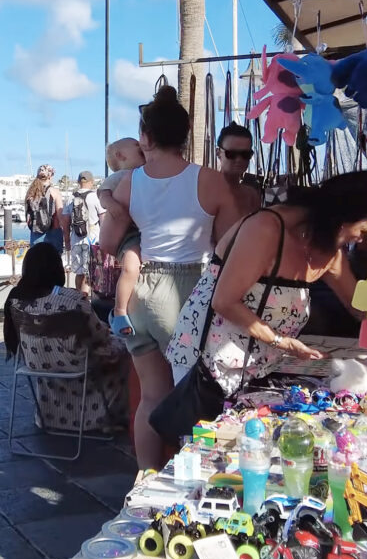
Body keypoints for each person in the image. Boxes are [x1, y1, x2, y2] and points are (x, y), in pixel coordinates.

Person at [160, 170, 367, 442]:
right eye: (363, 230)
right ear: (344, 215)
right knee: (206, 448)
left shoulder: (327, 250)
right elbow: (224, 300)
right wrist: (281, 341)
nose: (362, 239)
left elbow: (359, 305)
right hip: (208, 362)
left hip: (255, 366)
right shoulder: (267, 229)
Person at [101, 85, 240, 469]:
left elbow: (108, 242)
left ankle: (145, 477)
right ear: (185, 135)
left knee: (150, 397)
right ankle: (188, 481)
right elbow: (230, 246)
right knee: (191, 395)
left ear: (145, 137)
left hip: (142, 292)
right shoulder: (210, 180)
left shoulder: (130, 183)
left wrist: (133, 245)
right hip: (190, 291)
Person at [3, 243, 129, 431]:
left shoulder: (16, 300)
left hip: (38, 364)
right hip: (79, 364)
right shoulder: (73, 300)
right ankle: (105, 417)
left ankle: (55, 415)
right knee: (125, 349)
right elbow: (99, 336)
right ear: (57, 268)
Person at [98, 138, 145, 331]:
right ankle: (119, 311)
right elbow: (102, 194)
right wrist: (113, 206)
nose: (141, 146)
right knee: (131, 267)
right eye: (136, 146)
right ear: (121, 155)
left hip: (142, 230)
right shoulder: (121, 175)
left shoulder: (142, 173)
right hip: (129, 234)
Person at [62, 171, 106, 294]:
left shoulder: (71, 197)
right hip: (92, 239)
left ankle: (77, 298)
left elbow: (65, 222)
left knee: (78, 272)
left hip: (75, 239)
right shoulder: (95, 197)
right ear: (91, 182)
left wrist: (67, 240)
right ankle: (85, 299)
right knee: (89, 271)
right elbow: (103, 219)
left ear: (78, 182)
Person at [216, 122, 262, 216]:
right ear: (218, 153)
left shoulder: (252, 196)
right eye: (231, 154)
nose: (239, 159)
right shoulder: (206, 191)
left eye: (245, 154)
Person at [24, 164, 64, 252]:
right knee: (54, 261)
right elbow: (60, 214)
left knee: (37, 261)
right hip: (54, 232)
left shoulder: (31, 192)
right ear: (50, 176)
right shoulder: (54, 192)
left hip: (36, 232)